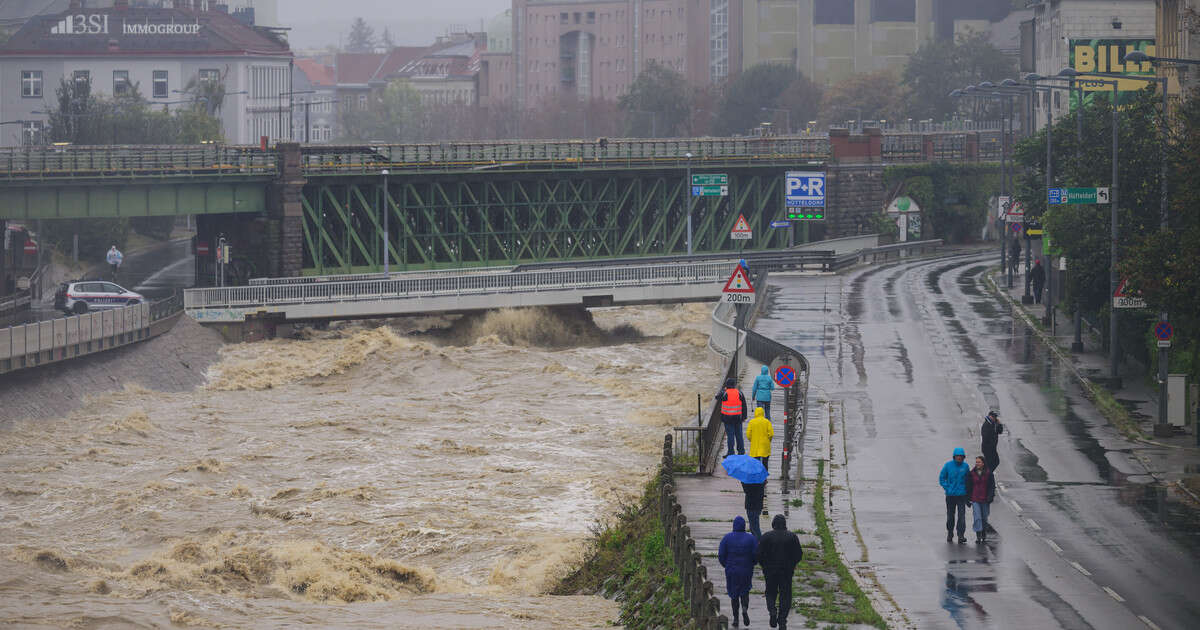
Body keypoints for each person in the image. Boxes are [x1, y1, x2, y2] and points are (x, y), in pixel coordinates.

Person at [756, 514, 803, 630]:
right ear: (784, 525)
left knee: (770, 593)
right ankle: (782, 620)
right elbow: (798, 555)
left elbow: (759, 555)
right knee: (785, 595)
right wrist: (792, 565)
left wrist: (765, 567)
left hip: (770, 571)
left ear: (773, 524)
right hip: (786, 571)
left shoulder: (766, 537)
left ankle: (772, 611)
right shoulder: (792, 537)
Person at [718, 515, 757, 628]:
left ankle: (736, 618)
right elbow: (756, 554)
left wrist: (726, 565)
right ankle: (744, 608)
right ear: (744, 526)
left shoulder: (727, 538)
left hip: (732, 570)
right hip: (746, 570)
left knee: (733, 594)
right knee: (745, 590)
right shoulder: (751, 538)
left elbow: (721, 555)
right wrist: (752, 564)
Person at [939, 447, 971, 543]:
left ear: (963, 457)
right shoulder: (948, 465)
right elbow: (942, 477)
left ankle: (961, 535)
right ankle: (950, 532)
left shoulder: (965, 466)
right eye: (957, 456)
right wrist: (947, 487)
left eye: (961, 456)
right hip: (950, 496)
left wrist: (968, 493)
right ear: (954, 456)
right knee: (950, 516)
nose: (959, 458)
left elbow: (968, 480)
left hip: (962, 496)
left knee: (962, 516)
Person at [965, 456, 996, 543]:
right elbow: (968, 487)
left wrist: (990, 497)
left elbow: (992, 486)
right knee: (977, 517)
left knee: (984, 517)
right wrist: (967, 498)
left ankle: (983, 533)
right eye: (976, 462)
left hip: (985, 500)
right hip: (975, 499)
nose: (977, 464)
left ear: (983, 463)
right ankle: (978, 535)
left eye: (979, 462)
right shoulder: (971, 473)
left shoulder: (989, 474)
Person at [716, 377, 747, 457]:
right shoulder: (739, 392)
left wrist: (723, 389)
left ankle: (731, 452)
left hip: (728, 418)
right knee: (739, 435)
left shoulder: (725, 393)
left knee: (730, 436)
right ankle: (741, 451)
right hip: (738, 418)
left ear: (727, 385)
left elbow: (717, 397)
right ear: (734, 385)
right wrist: (744, 417)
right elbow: (744, 406)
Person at [746, 407, 774, 473]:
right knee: (765, 462)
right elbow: (771, 434)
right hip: (765, 445)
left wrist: (752, 440)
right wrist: (768, 440)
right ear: (763, 413)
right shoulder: (767, 422)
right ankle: (764, 475)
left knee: (755, 463)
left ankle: (757, 476)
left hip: (755, 446)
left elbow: (748, 434)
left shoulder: (751, 422)